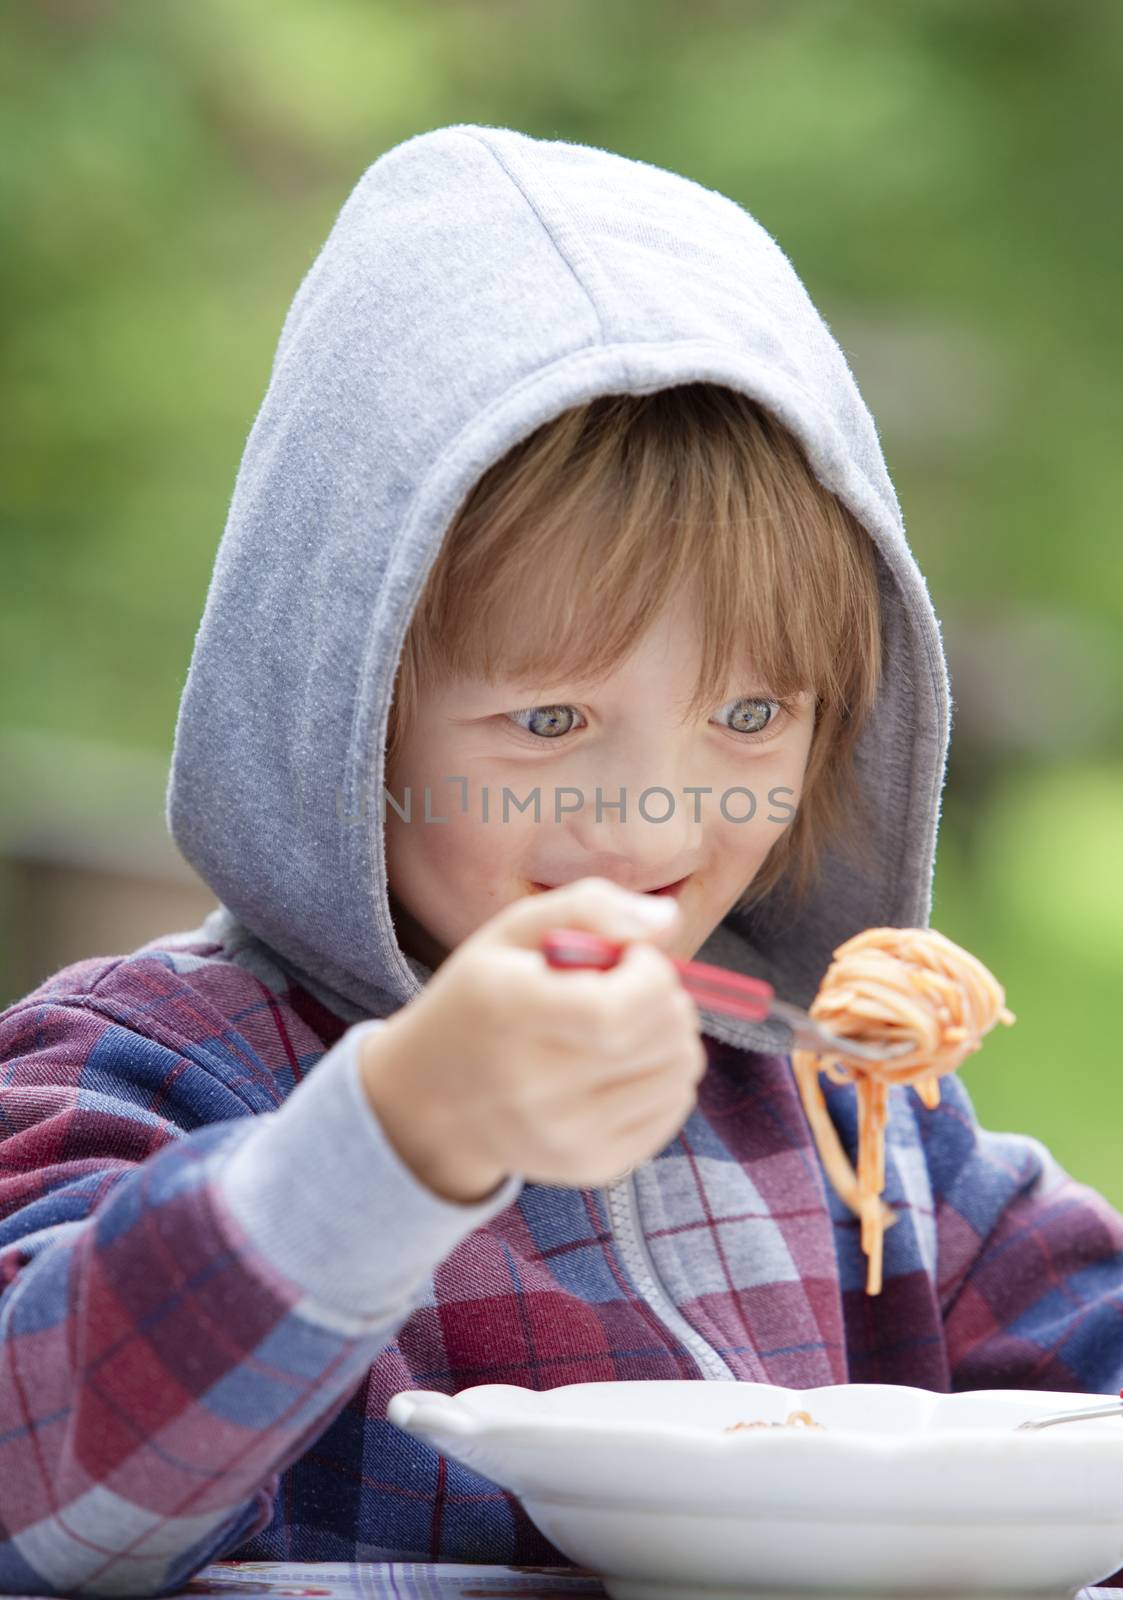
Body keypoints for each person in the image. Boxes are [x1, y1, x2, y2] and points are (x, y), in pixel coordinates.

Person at [1, 122, 1121, 1595]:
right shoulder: (149, 1067)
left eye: (749, 714)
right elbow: (36, 1500)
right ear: (345, 714)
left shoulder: (870, 1133)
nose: (655, 812)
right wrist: (402, 1137)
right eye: (548, 717)